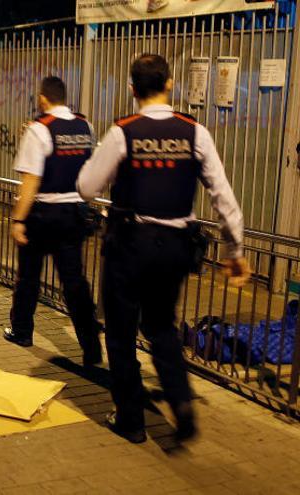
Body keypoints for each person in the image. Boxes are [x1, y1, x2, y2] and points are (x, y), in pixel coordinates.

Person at [77, 54, 251, 444]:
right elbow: (222, 196)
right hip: (175, 245)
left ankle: (131, 421)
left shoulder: (123, 131)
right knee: (161, 326)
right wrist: (235, 250)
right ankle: (180, 402)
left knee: (121, 333)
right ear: (170, 84)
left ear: (132, 89)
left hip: (129, 243)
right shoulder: (195, 131)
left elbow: (87, 187)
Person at [2, 76, 103, 368]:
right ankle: (91, 348)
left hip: (43, 214)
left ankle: (21, 332)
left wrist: (18, 219)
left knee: (28, 277)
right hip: (73, 214)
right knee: (75, 283)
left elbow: (31, 181)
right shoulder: (86, 126)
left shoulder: (39, 129)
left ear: (43, 98)